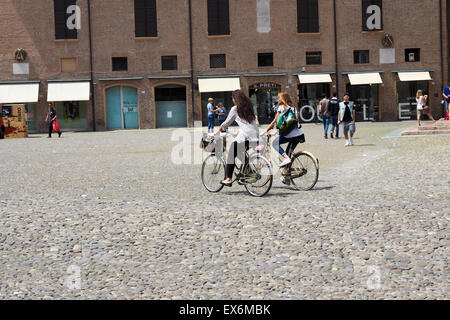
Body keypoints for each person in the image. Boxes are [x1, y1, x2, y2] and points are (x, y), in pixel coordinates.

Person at [215, 90, 259, 187]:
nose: (232, 99)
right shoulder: (249, 107)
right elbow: (248, 122)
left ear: (235, 99)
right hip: (255, 136)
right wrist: (238, 131)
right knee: (239, 151)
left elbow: (227, 123)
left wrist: (217, 131)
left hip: (246, 136)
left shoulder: (235, 109)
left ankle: (228, 179)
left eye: (233, 98)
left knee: (231, 153)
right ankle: (249, 170)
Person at [261, 92, 305, 171]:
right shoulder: (293, 108)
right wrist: (275, 132)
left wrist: (264, 131)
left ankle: (286, 158)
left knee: (274, 143)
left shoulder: (281, 107)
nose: (278, 100)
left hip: (290, 135)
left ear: (283, 99)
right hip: (299, 134)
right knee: (288, 154)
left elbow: (274, 122)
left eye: (279, 98)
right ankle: (287, 176)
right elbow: (288, 124)